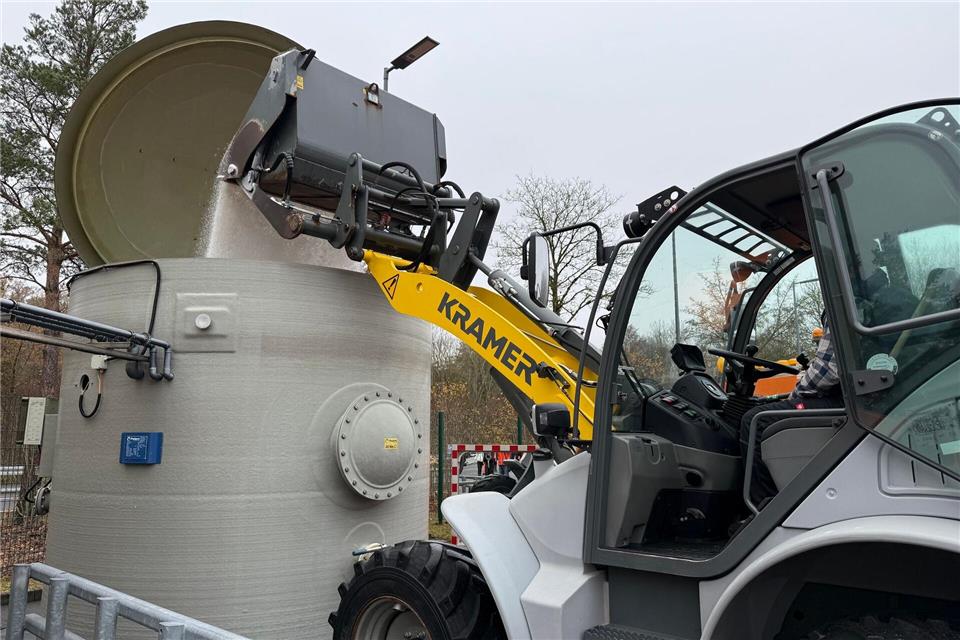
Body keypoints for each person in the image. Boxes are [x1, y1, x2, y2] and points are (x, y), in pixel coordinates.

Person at [740, 318, 844, 505]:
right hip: (850, 397)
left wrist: (795, 395)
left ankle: (764, 507)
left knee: (755, 420)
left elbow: (829, 368)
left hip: (842, 400)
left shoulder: (841, 310)